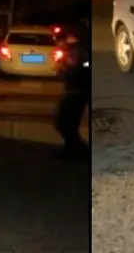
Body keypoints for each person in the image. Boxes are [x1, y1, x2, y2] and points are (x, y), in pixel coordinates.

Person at [54, 22, 90, 162]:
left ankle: (79, 152)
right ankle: (71, 150)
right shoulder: (72, 50)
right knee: (66, 123)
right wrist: (63, 69)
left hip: (78, 91)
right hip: (73, 89)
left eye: (69, 36)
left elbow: (83, 67)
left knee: (65, 122)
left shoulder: (82, 51)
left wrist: (71, 69)